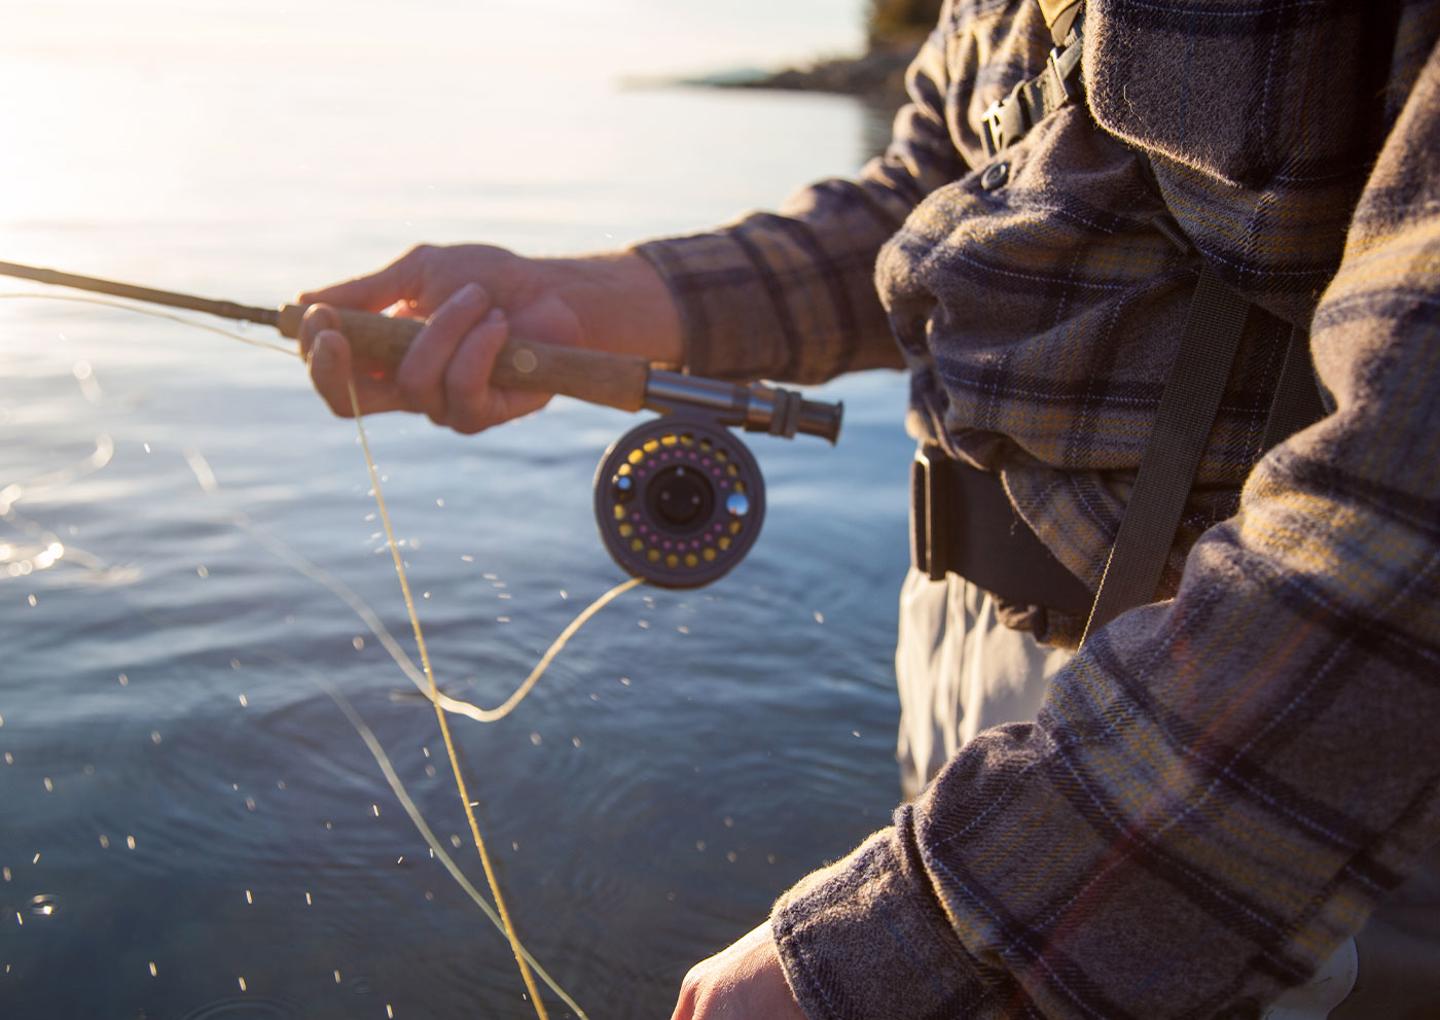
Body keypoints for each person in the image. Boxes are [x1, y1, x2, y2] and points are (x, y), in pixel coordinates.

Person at [297, 0, 1440, 1015]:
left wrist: (917, 942)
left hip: (1242, 733)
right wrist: (586, 300)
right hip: (973, 673)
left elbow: (1407, 512)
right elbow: (935, 203)